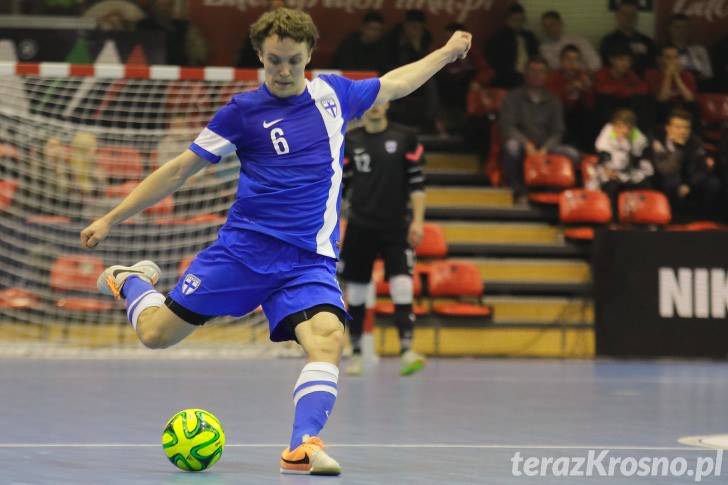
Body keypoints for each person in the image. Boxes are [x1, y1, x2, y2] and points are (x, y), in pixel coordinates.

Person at [79, 8, 471, 477]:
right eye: (272, 62)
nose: (283, 72)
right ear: (260, 58)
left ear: (309, 56)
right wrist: (112, 217)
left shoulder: (335, 94)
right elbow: (179, 170)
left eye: (292, 61)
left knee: (328, 340)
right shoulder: (242, 112)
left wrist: (446, 54)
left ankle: (302, 446)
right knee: (155, 335)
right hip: (243, 253)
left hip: (308, 261)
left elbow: (395, 83)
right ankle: (132, 281)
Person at [338, 102, 426, 377]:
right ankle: (356, 353)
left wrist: (418, 220)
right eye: (370, 102)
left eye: (380, 100)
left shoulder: (405, 137)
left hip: (396, 225)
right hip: (361, 225)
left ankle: (406, 351)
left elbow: (417, 183)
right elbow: (342, 187)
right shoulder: (350, 140)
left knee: (402, 286)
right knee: (358, 291)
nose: (375, 106)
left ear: (388, 104)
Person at [499, 56, 579, 199]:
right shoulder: (513, 97)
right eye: (533, 71)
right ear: (525, 73)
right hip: (522, 143)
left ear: (547, 75)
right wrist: (526, 143)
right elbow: (507, 127)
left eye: (541, 71)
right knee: (511, 147)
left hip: (545, 145)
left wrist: (546, 148)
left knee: (571, 154)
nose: (536, 75)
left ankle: (553, 191)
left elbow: (557, 130)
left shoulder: (553, 100)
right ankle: (517, 189)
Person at [650, 109, 722, 221]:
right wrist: (678, 149)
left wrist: (689, 184)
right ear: (668, 128)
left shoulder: (695, 141)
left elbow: (702, 169)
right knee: (671, 183)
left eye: (686, 128)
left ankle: (705, 220)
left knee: (713, 183)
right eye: (678, 127)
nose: (683, 131)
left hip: (689, 181)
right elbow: (665, 171)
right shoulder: (659, 142)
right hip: (666, 179)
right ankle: (669, 219)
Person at [593, 108, 653, 216]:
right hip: (610, 173)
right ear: (614, 126)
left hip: (631, 172)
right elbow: (603, 159)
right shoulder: (606, 136)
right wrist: (608, 171)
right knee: (611, 186)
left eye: (628, 127)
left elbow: (639, 162)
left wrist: (626, 146)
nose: (624, 131)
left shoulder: (638, 139)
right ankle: (611, 218)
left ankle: (645, 219)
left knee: (645, 185)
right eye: (620, 127)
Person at [547, 44, 595, 151]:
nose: (572, 63)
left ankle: (587, 152)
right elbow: (551, 101)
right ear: (561, 61)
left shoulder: (582, 76)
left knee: (589, 116)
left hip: (578, 115)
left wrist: (586, 90)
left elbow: (590, 104)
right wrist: (569, 88)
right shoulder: (554, 76)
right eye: (568, 59)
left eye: (575, 59)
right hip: (560, 113)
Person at [593, 44, 650, 132]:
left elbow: (643, 88)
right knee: (605, 99)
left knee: (641, 100)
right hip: (607, 112)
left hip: (626, 110)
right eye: (621, 60)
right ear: (612, 59)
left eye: (628, 61)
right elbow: (602, 90)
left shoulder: (630, 75)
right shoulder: (602, 74)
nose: (625, 64)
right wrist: (625, 90)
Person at [136, 0, 208, 66]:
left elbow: (199, 53)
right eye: (161, 4)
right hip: (145, 73)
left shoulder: (183, 27)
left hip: (177, 72)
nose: (164, 6)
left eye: (169, 4)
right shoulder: (141, 26)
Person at [484, 3, 540, 88]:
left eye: (521, 20)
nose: (518, 23)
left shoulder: (529, 37)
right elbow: (495, 64)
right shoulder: (498, 39)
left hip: (530, 75)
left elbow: (536, 55)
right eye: (514, 20)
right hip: (508, 79)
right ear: (507, 20)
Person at [644, 44, 700, 127]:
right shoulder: (651, 74)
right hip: (661, 109)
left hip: (682, 108)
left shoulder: (686, 75)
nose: (672, 61)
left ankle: (695, 136)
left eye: (675, 57)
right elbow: (661, 99)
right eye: (668, 58)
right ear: (659, 59)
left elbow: (690, 99)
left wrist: (677, 76)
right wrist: (668, 76)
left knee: (694, 105)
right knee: (665, 105)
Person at [598, 0, 656, 76]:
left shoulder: (647, 41)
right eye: (624, 14)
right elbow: (606, 67)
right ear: (617, 16)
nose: (628, 18)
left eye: (632, 15)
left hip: (644, 83)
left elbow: (652, 67)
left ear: (636, 17)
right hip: (618, 84)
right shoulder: (608, 41)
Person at [666, 13, 714, 92]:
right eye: (677, 27)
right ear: (670, 28)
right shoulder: (663, 50)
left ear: (689, 29)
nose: (681, 31)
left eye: (684, 27)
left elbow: (708, 75)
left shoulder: (700, 50)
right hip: (672, 91)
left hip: (698, 90)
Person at [236, 0, 290, 68]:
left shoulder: (296, 36)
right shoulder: (257, 35)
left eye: (281, 10)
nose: (278, 14)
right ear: (268, 12)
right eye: (275, 9)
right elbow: (243, 65)